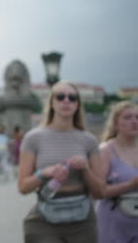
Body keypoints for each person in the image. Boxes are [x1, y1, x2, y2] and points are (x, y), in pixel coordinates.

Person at [18, 81, 104, 243]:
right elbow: (23, 187)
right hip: (44, 219)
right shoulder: (33, 138)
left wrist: (86, 169)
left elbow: (100, 192)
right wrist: (44, 173)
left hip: (82, 221)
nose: (66, 101)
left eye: (72, 97)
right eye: (60, 97)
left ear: (78, 104)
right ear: (51, 103)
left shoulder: (89, 140)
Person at [95, 101, 138, 243]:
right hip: (113, 224)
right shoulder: (106, 150)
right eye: (128, 117)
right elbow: (98, 191)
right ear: (115, 124)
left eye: (137, 117)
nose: (134, 121)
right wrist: (131, 184)